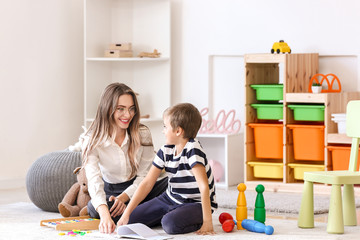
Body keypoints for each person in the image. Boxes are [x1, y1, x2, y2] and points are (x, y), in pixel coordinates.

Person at [117, 103, 217, 235]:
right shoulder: (165, 150)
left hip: (196, 203)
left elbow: (204, 187)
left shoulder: (193, 149)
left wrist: (208, 222)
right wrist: (127, 213)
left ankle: (178, 218)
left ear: (178, 131)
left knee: (170, 225)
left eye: (165, 126)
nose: (163, 130)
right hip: (170, 198)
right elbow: (147, 183)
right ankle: (171, 216)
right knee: (131, 219)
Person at [81, 83, 168, 234]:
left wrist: (125, 197)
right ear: (107, 108)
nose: (127, 115)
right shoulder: (91, 139)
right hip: (111, 192)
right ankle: (146, 215)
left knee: (171, 184)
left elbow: (145, 176)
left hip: (140, 188)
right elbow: (94, 180)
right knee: (94, 208)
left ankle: (134, 214)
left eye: (131, 108)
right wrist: (105, 216)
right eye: (120, 109)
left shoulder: (142, 133)